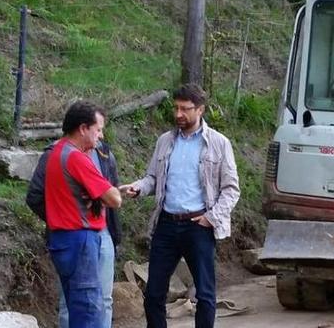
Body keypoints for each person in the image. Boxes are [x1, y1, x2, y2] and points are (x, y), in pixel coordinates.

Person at [121, 84, 240, 328]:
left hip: (199, 225)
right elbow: (153, 178)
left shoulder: (218, 143)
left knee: (205, 294)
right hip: (166, 223)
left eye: (185, 109)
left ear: (200, 110)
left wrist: (211, 217)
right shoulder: (165, 141)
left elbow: (231, 189)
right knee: (154, 293)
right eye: (176, 108)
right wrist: (139, 187)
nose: (178, 114)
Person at [26, 135, 121, 328]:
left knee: (101, 299)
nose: (101, 134)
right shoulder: (63, 155)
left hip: (100, 233)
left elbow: (112, 190)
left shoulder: (102, 152)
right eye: (98, 128)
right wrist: (62, 217)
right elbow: (35, 196)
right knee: (79, 303)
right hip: (78, 236)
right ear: (83, 128)